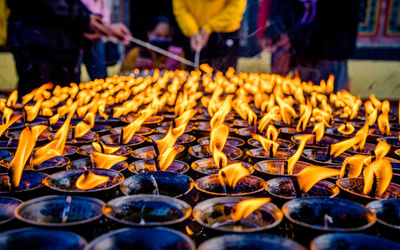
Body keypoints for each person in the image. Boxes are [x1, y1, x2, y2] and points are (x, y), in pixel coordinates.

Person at [6, 0, 129, 97]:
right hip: (39, 48)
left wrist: (94, 23)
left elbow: (70, 4)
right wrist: (88, 21)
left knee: (62, 110)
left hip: (58, 49)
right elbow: (55, 6)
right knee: (38, 109)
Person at [260, 0, 361, 92]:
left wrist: (294, 38)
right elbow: (280, 7)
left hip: (329, 51)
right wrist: (274, 35)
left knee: (327, 102)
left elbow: (338, 16)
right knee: (298, 100)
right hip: (299, 52)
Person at [172, 0, 247, 72]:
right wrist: (192, 31)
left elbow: (235, 7)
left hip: (224, 32)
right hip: (195, 36)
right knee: (194, 78)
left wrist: (208, 28)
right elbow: (181, 8)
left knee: (225, 78)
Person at [80, 0, 132, 80]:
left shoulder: (102, 2)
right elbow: (82, 20)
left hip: (96, 39)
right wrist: (109, 30)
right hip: (80, 38)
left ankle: (100, 83)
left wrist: (105, 31)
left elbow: (106, 20)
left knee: (99, 73)